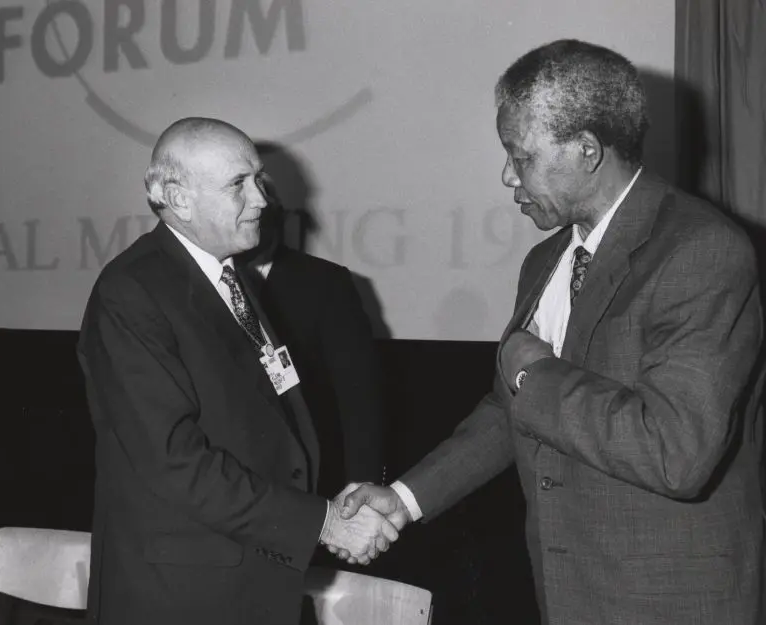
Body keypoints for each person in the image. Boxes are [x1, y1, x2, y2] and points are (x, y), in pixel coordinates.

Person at [342, 39, 765, 624]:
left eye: (520, 156)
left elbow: (676, 453)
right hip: (570, 595)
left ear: (587, 150)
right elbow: (513, 408)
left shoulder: (701, 250)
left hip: (670, 603)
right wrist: (404, 500)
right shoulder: (546, 260)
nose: (506, 175)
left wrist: (534, 370)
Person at [77, 117, 398, 625]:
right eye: (238, 185)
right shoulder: (132, 292)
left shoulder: (229, 277)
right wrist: (323, 524)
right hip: (182, 595)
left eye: (258, 179)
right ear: (178, 199)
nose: (262, 200)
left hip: (249, 574)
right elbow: (174, 461)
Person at [240, 161, 387, 499]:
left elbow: (360, 399)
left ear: (279, 215)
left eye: (263, 204)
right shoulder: (208, 284)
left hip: (311, 484)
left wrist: (363, 487)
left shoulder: (326, 283)